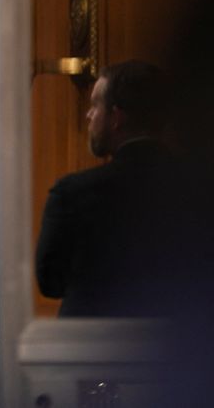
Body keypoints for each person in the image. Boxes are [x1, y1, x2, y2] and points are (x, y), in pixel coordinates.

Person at [35, 60, 177, 317]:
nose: (89, 115)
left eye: (95, 105)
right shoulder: (206, 190)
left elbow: (51, 283)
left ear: (115, 117)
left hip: (92, 346)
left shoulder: (73, 193)